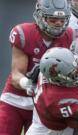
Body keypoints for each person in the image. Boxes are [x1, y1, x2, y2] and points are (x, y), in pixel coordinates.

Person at [0, 0, 74, 134]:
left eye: (62, 20)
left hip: (42, 106)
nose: (58, 24)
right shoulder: (24, 33)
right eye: (53, 19)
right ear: (41, 17)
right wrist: (28, 83)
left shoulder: (69, 36)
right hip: (14, 100)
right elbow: (16, 74)